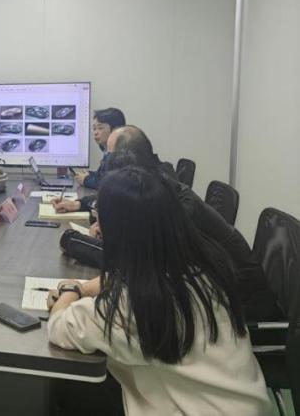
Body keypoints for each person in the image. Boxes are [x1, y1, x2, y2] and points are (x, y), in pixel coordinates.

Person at [47, 167, 271, 415]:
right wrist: (89, 287)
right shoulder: (204, 269)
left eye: (100, 219)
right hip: (241, 404)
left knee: (63, 390)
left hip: (195, 409)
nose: (97, 227)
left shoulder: (135, 304)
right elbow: (133, 276)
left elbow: (59, 326)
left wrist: (70, 289)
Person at [54, 125, 282, 321]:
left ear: (126, 160)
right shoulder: (158, 183)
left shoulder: (166, 205)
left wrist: (72, 240)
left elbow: (134, 265)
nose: (106, 163)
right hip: (214, 296)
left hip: (234, 308)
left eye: (109, 155)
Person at [73, 108, 125, 189]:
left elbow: (108, 183)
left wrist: (86, 180)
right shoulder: (107, 150)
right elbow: (103, 175)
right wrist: (91, 174)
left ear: (116, 130)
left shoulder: (121, 155)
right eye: (94, 128)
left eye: (100, 128)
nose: (95, 132)